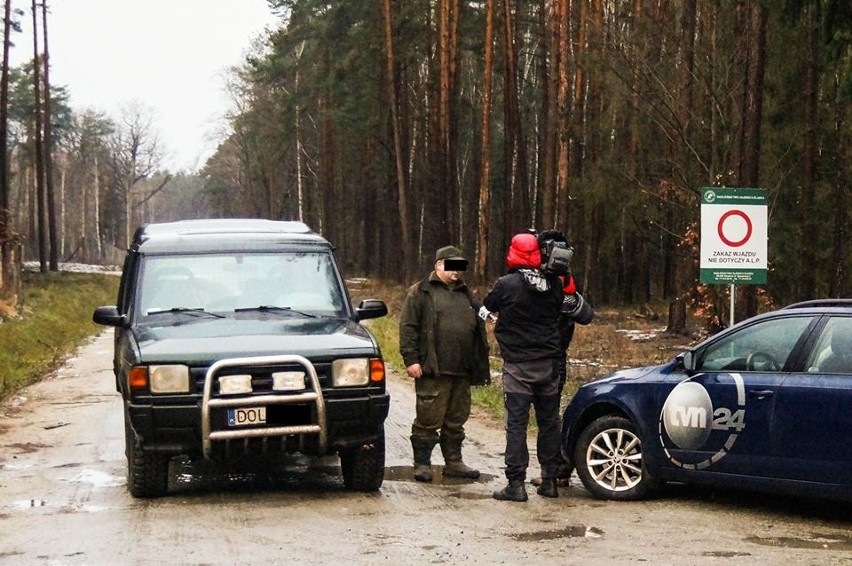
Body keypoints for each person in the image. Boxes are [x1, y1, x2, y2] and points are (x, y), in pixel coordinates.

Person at [483, 232, 565, 501]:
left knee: (516, 426)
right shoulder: (554, 284)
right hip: (549, 365)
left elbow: (486, 307)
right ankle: (550, 480)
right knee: (549, 424)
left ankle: (516, 484)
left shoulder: (506, 284)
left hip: (518, 366)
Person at [399, 245, 491, 482]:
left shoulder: (466, 293)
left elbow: (480, 319)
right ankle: (422, 463)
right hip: (433, 368)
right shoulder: (420, 292)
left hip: (462, 369)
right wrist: (411, 360)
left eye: (460, 267)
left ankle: (454, 462)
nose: (457, 272)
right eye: (452, 266)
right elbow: (408, 327)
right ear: (438, 265)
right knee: (428, 418)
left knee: (456, 419)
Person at [531, 229, 594, 487]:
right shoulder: (559, 280)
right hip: (554, 356)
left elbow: (585, 314)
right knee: (549, 415)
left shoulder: (555, 281)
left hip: (546, 356)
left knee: (546, 416)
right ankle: (556, 468)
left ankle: (555, 470)